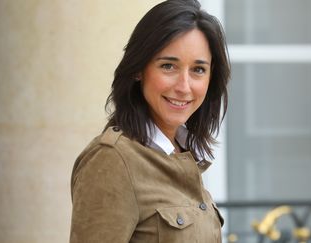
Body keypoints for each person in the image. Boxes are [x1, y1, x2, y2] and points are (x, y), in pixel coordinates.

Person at [69, 0, 230, 242]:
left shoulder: (185, 152)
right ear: (138, 69)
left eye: (198, 70)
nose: (184, 87)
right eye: (168, 66)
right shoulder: (113, 159)